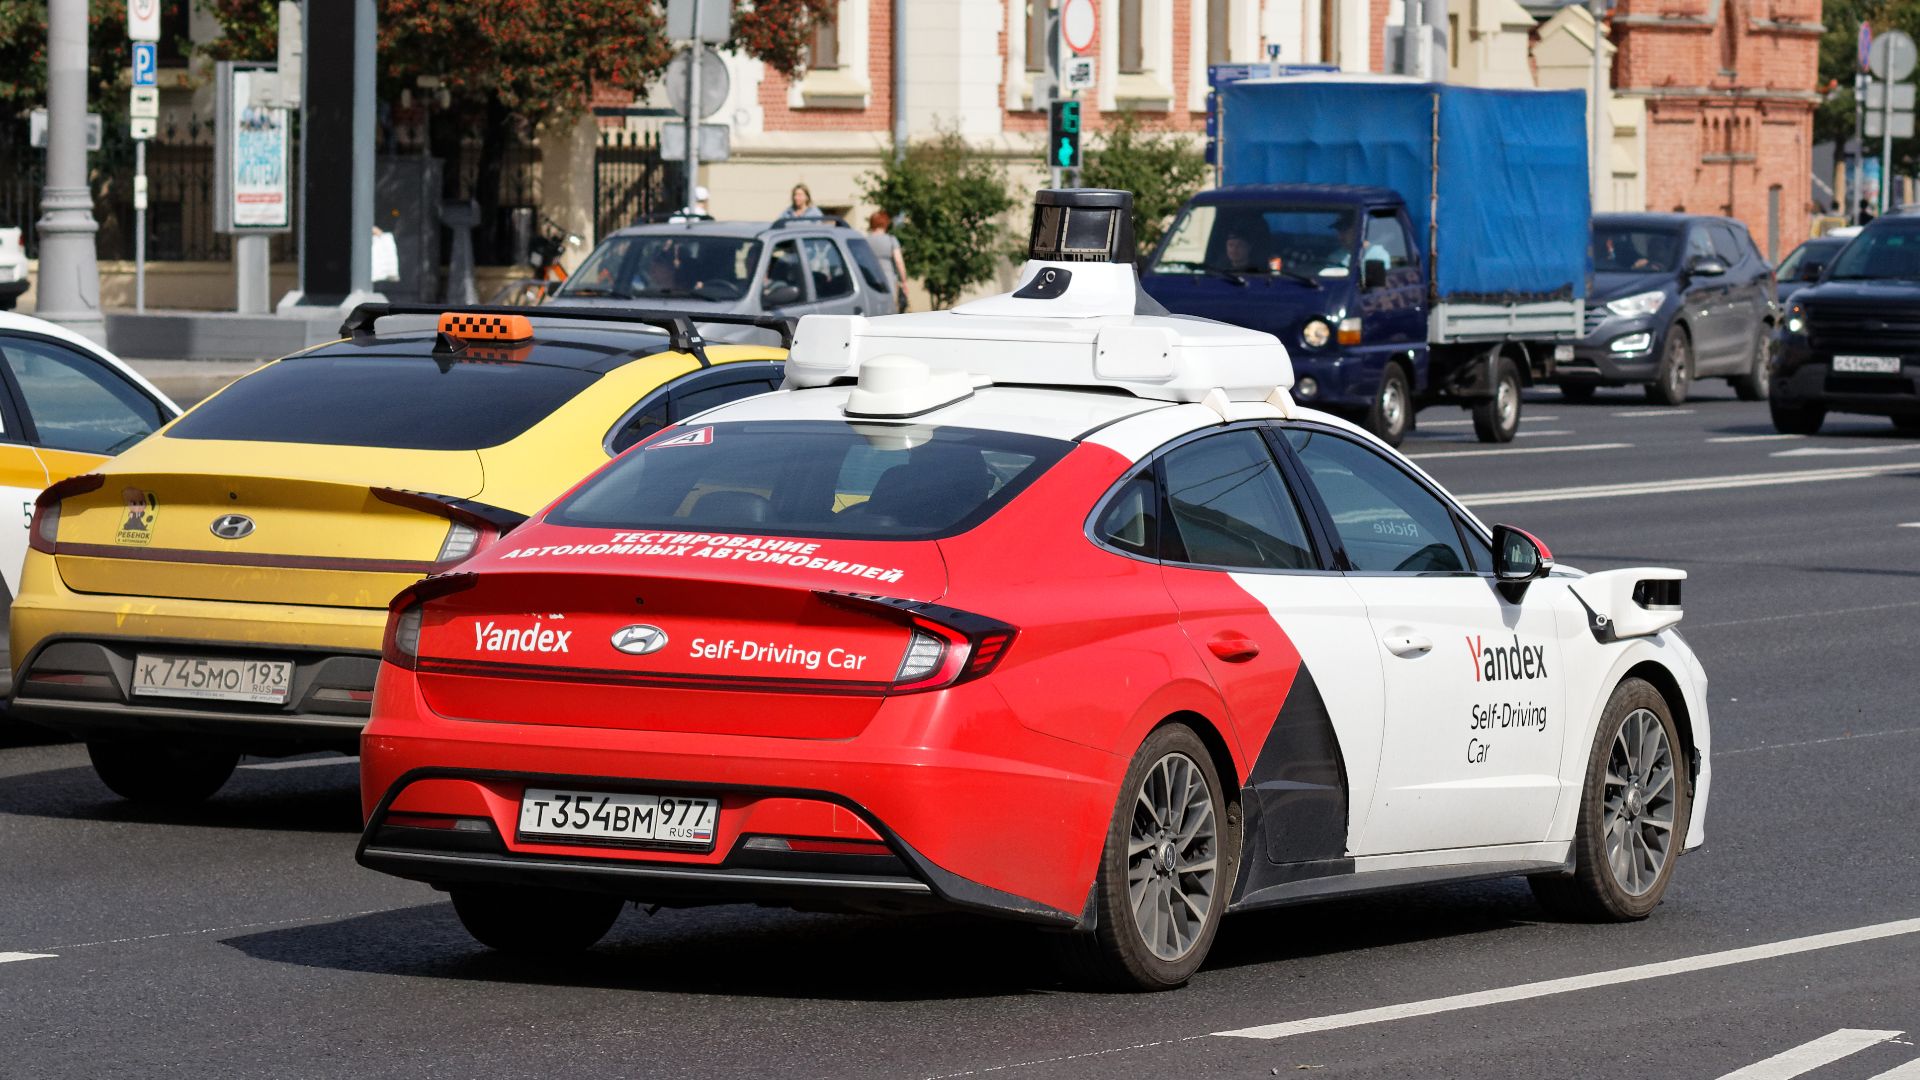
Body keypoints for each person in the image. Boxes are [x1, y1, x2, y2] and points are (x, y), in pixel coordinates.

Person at [866, 210, 909, 311]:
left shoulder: (865, 240)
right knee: (888, 309)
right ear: (885, 224)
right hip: (888, 278)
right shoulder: (891, 239)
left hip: (870, 278)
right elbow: (899, 262)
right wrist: (904, 281)